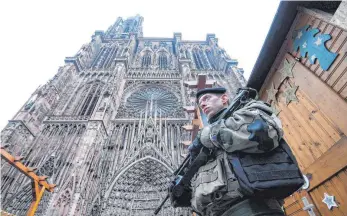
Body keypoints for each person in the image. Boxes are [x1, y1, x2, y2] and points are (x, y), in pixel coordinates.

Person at [188, 87, 286, 216]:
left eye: (207, 98)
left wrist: (207, 135)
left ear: (224, 98)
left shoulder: (248, 109)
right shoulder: (208, 140)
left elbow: (264, 133)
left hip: (254, 208)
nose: (203, 104)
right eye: (200, 103)